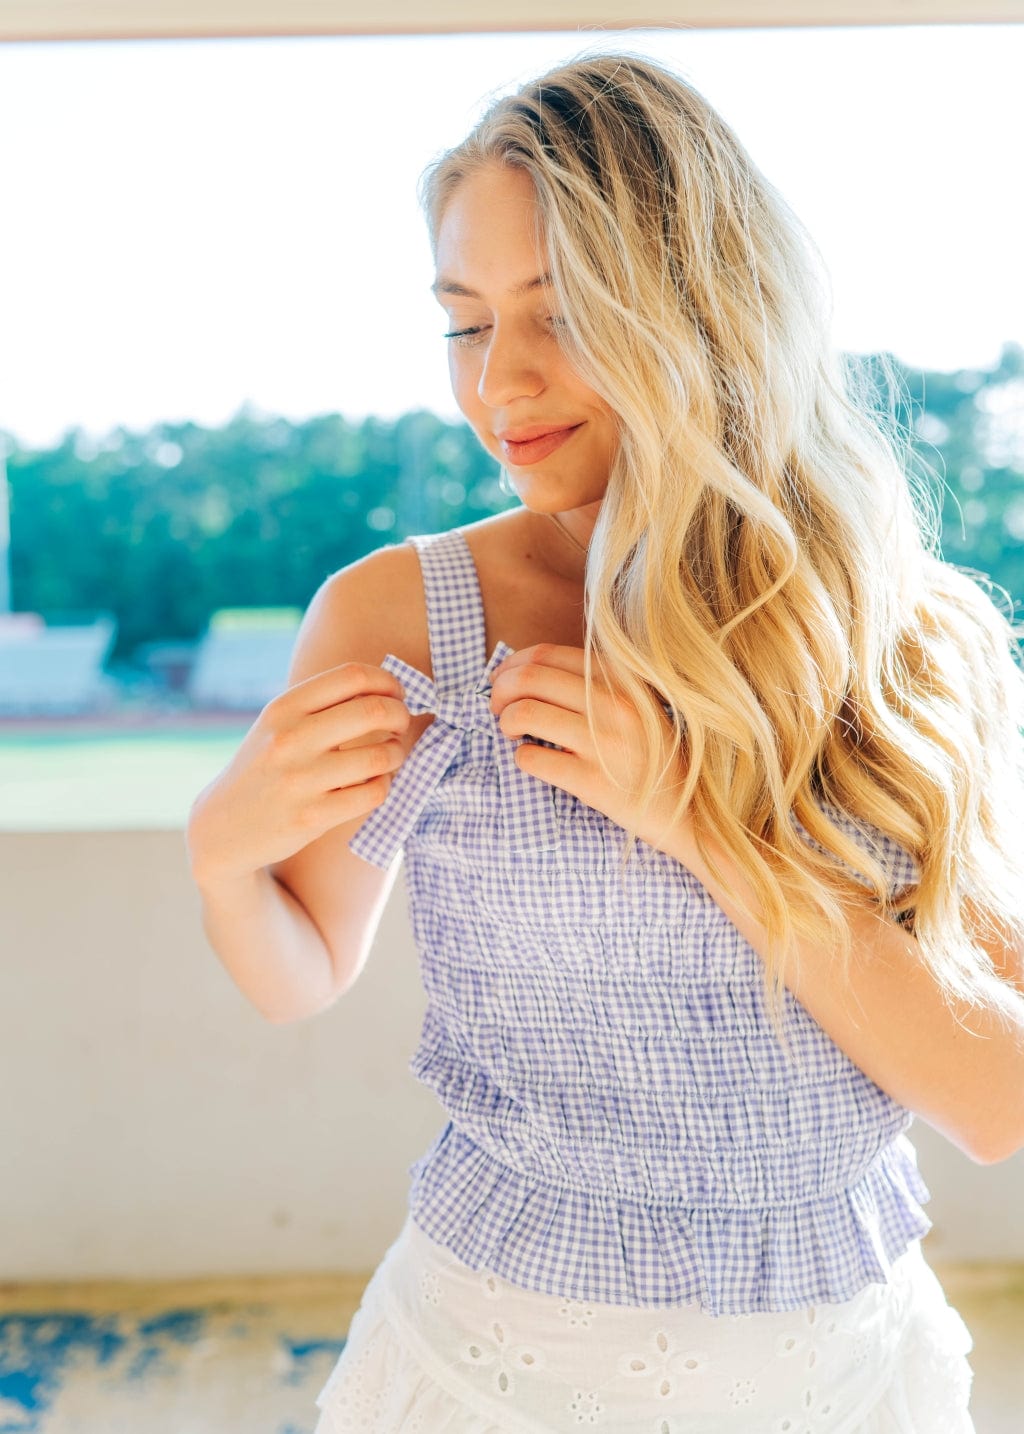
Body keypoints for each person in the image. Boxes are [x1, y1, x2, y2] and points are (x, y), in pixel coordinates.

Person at [185, 51, 1024, 1433]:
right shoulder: (406, 617)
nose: (497, 382)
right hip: (486, 1372)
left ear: (707, 306)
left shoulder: (915, 639)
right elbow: (302, 971)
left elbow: (993, 1095)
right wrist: (223, 859)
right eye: (463, 324)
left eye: (562, 313)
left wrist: (700, 824)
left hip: (850, 1375)